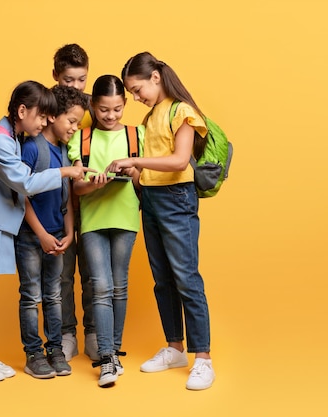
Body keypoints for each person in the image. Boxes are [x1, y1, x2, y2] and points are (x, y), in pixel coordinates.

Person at [0, 80, 92, 383]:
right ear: (22, 110)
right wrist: (66, 171)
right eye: (40, 116)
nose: (44, 122)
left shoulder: (9, 137)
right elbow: (24, 182)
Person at [105, 52, 216, 390]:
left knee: (186, 276)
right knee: (163, 279)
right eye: (133, 94)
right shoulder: (153, 115)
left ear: (155, 77)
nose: (137, 98)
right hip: (151, 200)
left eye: (138, 90)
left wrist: (134, 159)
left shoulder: (181, 111)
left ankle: (204, 359)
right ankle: (175, 347)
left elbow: (181, 160)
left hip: (177, 199)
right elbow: (151, 168)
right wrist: (129, 170)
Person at [68, 75, 144, 387]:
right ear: (92, 107)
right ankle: (107, 356)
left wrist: (133, 170)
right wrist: (93, 183)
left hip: (125, 218)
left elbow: (144, 183)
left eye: (116, 109)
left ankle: (113, 350)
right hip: (93, 220)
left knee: (119, 286)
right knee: (100, 285)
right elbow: (77, 187)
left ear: (124, 104)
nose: (110, 116)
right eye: (103, 110)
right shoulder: (82, 137)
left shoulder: (136, 134)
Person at [15, 86, 90, 379]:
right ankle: (33, 352)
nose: (74, 128)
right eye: (71, 121)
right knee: (31, 295)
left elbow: (66, 198)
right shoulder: (32, 148)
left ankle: (55, 348)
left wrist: (69, 232)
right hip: (32, 237)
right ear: (51, 116)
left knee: (54, 295)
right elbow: (21, 195)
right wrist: (42, 234)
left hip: (59, 235)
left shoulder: (63, 151)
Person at [51, 43, 98, 361]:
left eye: (82, 79)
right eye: (69, 80)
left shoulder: (96, 108)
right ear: (55, 76)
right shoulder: (45, 105)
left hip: (93, 200)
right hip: (57, 203)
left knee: (95, 272)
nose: (76, 87)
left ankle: (95, 333)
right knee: (62, 274)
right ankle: (67, 334)